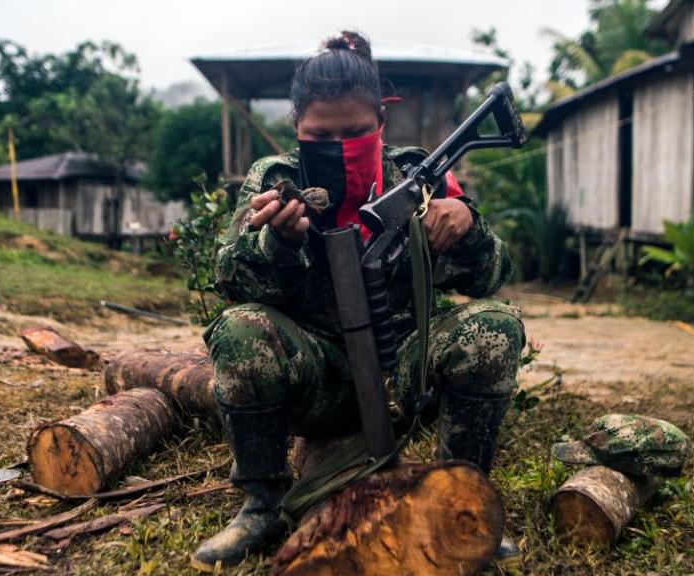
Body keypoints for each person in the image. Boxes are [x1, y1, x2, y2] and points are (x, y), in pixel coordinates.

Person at [192, 30, 526, 569]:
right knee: (240, 329)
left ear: (382, 124)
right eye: (321, 134)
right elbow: (230, 281)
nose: (340, 145)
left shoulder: (419, 175)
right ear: (296, 127)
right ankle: (263, 505)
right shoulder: (275, 180)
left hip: (404, 375)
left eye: (356, 132)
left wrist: (467, 226)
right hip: (316, 376)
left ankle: (461, 501)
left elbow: (491, 276)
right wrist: (277, 242)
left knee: (494, 326)